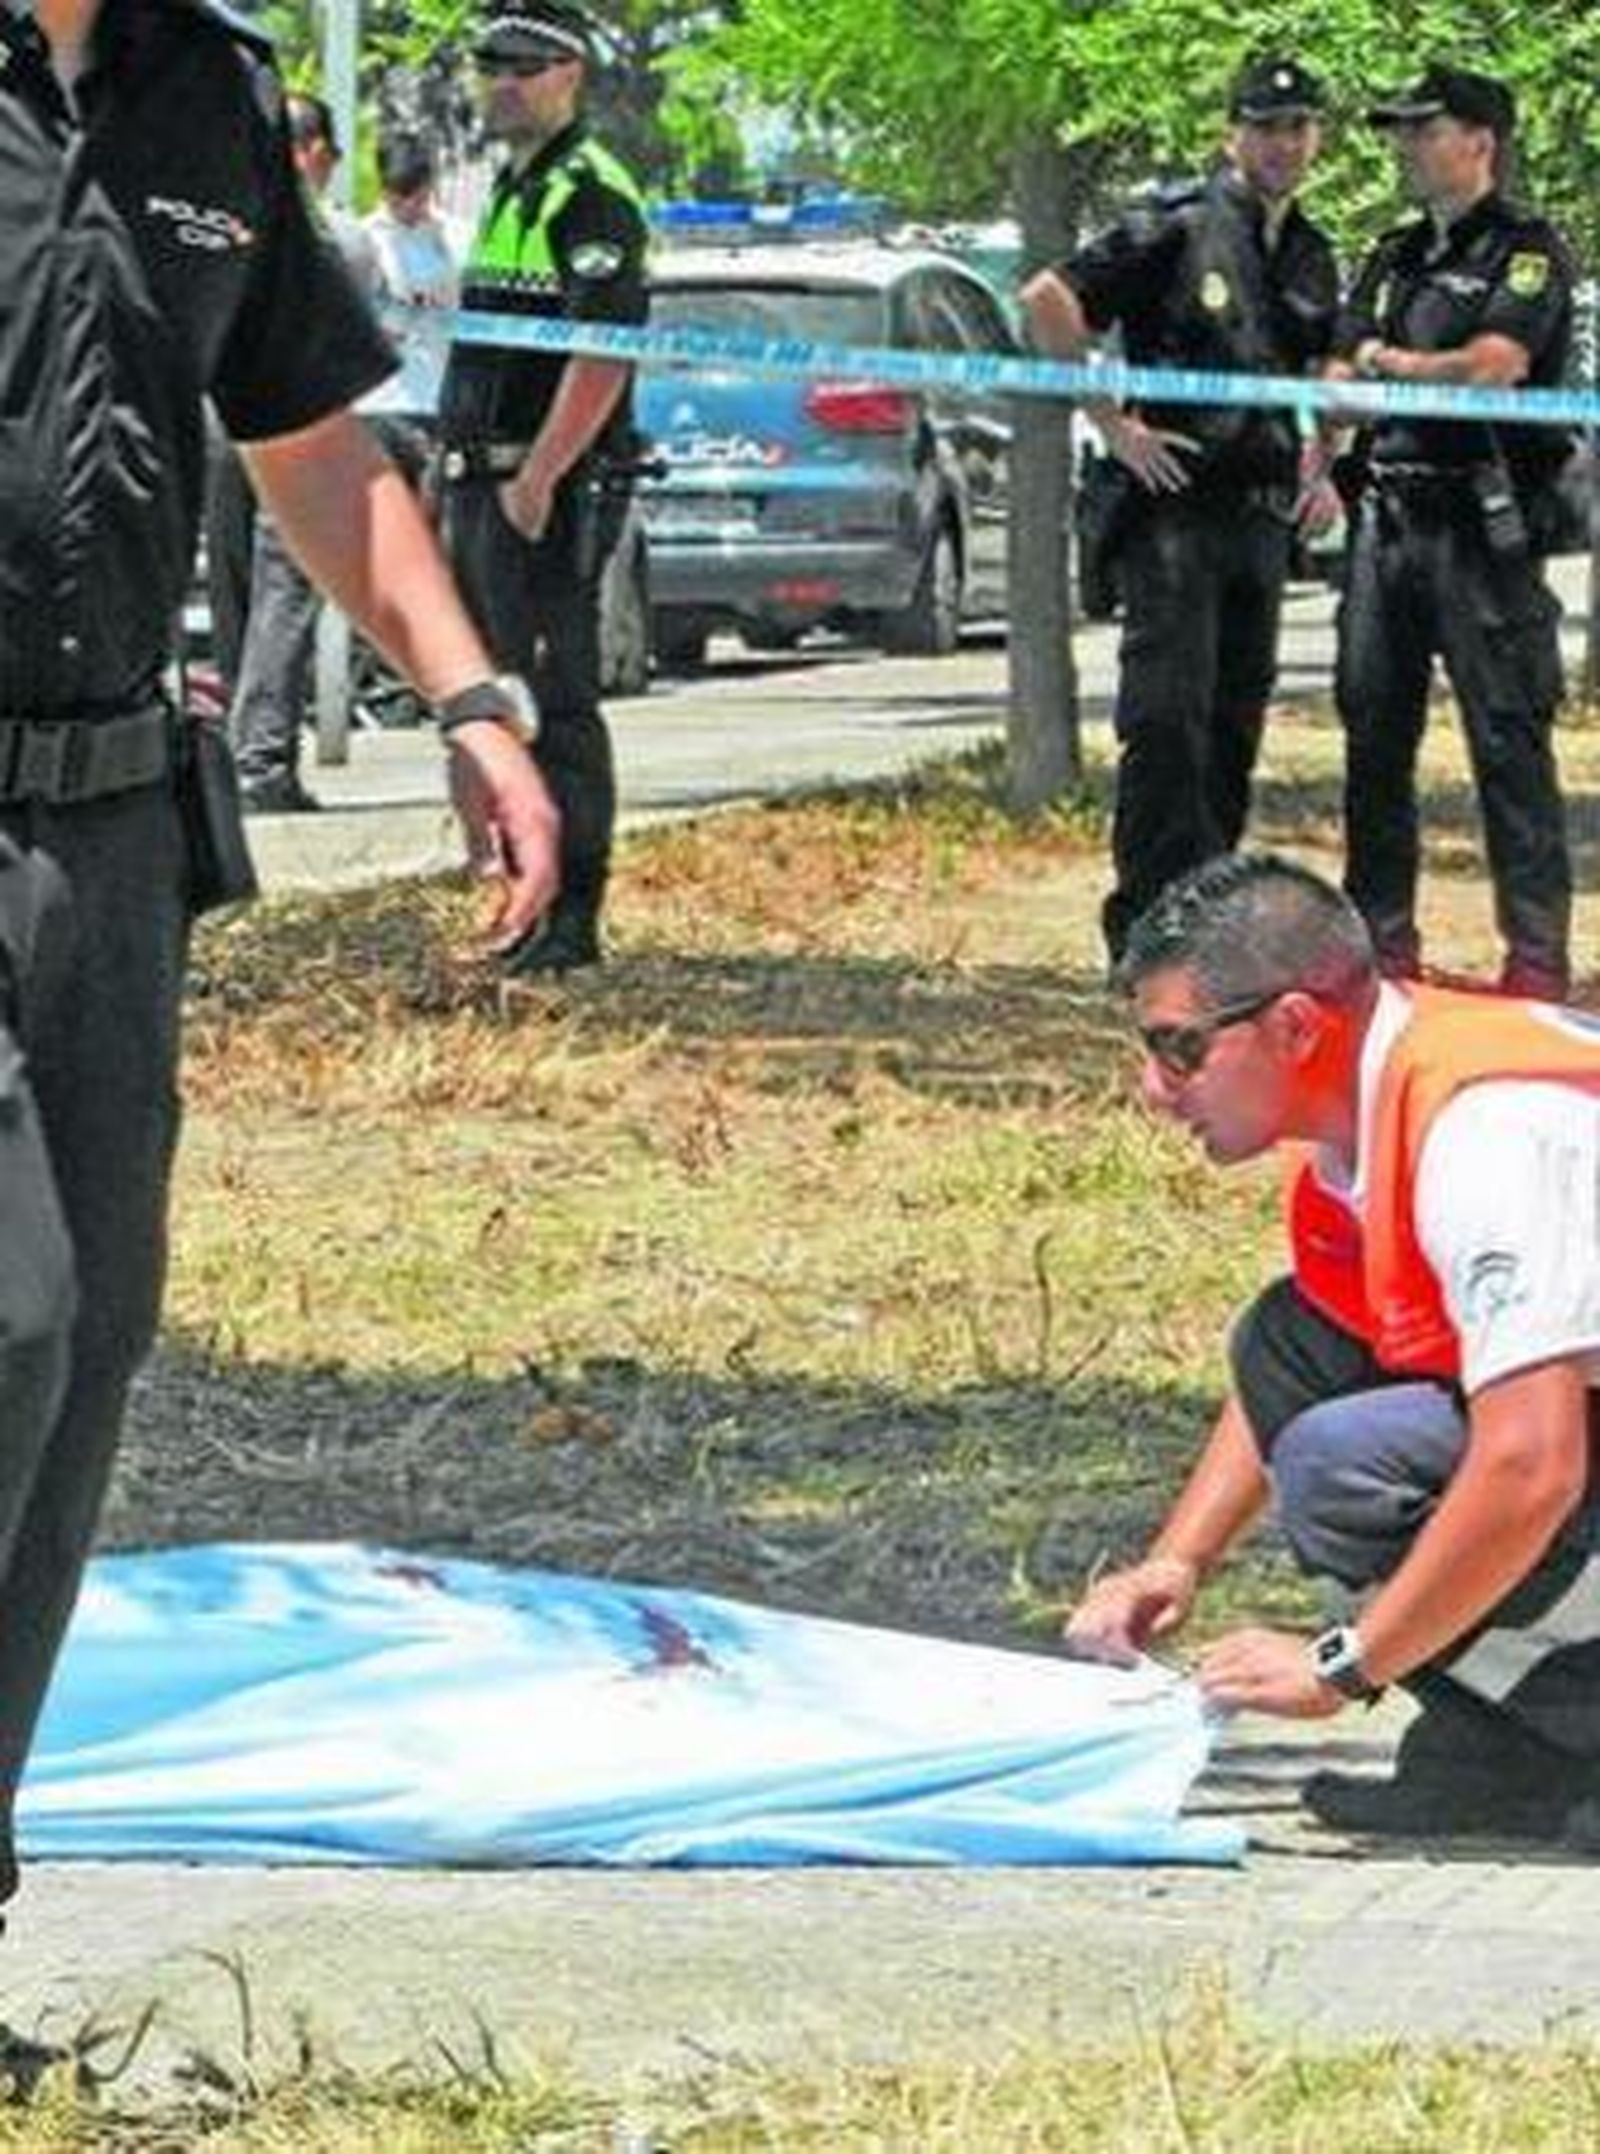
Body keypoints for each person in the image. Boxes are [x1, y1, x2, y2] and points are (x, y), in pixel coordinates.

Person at [0, 0, 558, 1919]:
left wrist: (470, 699)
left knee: (88, 1346)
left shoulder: (213, 95)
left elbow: (310, 438)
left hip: (110, 828)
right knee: (10, 1319)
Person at [1066, 851, 1600, 1844]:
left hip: (1552, 1447)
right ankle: (1518, 1749)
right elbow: (1297, 1360)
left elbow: (1533, 1463)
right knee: (1290, 1344)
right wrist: (1173, 1564)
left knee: (1349, 1463)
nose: (1153, 1089)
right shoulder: (1375, 1104)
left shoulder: (1483, 1135)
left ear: (1295, 1026)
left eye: (1178, 1048)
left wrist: (1345, 1666)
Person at [1022, 58, 1341, 968]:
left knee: (1233, 727)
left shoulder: (1311, 250)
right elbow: (1049, 299)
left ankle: (1205, 930)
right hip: (1173, 509)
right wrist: (1110, 422)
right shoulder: (1177, 225)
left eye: (1298, 127)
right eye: (1266, 127)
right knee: (1167, 725)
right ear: (1232, 134)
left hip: (1261, 515)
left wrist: (1326, 460)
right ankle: (1147, 934)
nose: (1283, 144)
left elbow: (1324, 368)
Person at [1332, 67, 1576, 1000]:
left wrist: (1388, 363)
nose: (1406, 146)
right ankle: (1382, 954)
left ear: (1480, 141)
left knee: (1508, 743)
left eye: (1424, 130)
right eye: (1400, 131)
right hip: (1386, 518)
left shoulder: (1526, 250)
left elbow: (1492, 367)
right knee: (1373, 739)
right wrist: (1362, 374)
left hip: (1481, 527)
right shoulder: (1393, 254)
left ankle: (1536, 969)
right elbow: (1335, 376)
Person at [439, 0, 648, 976]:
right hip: (482, 480)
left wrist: (540, 475)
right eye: (492, 66)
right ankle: (517, 898)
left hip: (547, 489)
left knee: (554, 705)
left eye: (524, 67)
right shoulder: (514, 187)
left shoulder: (589, 190)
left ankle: (568, 920)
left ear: (571, 74)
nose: (503, 84)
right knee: (496, 697)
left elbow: (603, 350)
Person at [220, 92, 384, 813]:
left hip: (216, 417)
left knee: (236, 592)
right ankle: (259, 761)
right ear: (313, 152)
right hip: (295, 420)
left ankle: (231, 753)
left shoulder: (214, 218)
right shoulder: (341, 237)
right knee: (284, 591)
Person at [361, 127, 459, 470]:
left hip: (438, 397)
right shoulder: (364, 238)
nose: (408, 207)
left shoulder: (453, 235)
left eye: (417, 196)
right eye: (397, 197)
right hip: (380, 402)